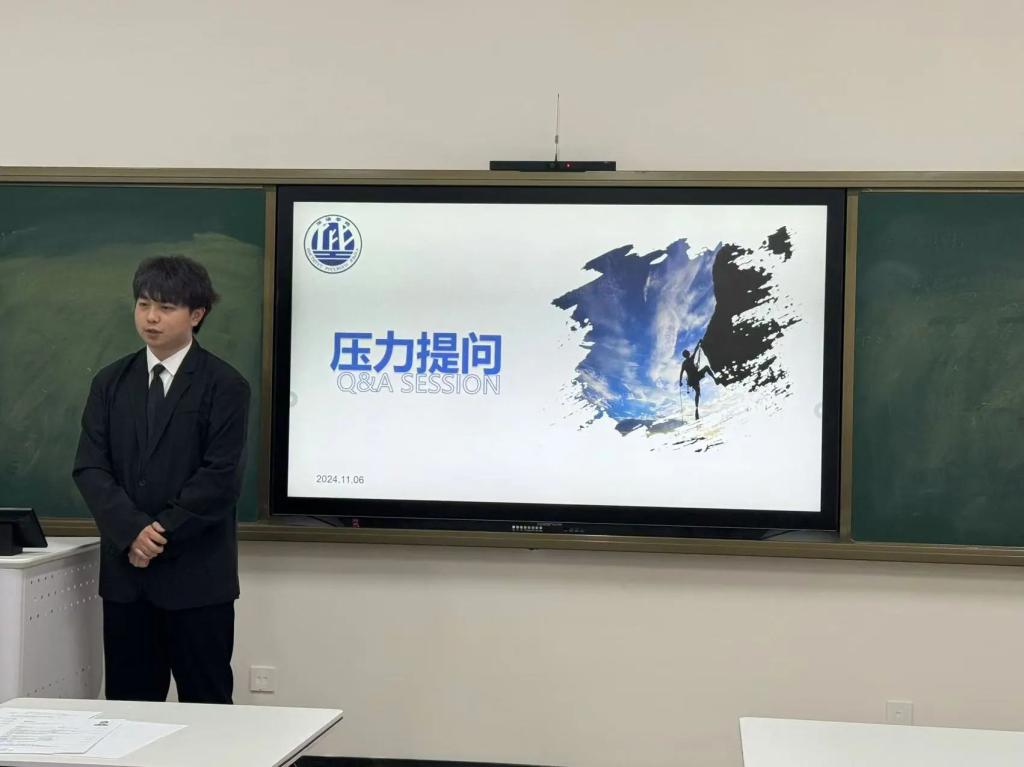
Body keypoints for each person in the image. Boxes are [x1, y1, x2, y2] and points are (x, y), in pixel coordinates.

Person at [72, 255, 250, 704]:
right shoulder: (110, 382)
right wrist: (132, 530)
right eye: (144, 304)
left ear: (197, 314)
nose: (151, 317)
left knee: (207, 707)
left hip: (197, 581)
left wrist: (158, 534)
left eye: (166, 307)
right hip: (127, 581)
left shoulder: (225, 384)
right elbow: (90, 467)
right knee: (128, 713)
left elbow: (220, 478)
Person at [678, 342, 718, 420]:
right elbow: (696, 350)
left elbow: (681, 372)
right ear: (687, 354)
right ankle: (715, 379)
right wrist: (698, 343)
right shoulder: (690, 359)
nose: (689, 353)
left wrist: (680, 381)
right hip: (695, 377)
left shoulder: (684, 363)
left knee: (697, 392)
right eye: (688, 352)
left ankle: (696, 408)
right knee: (706, 368)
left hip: (692, 380)